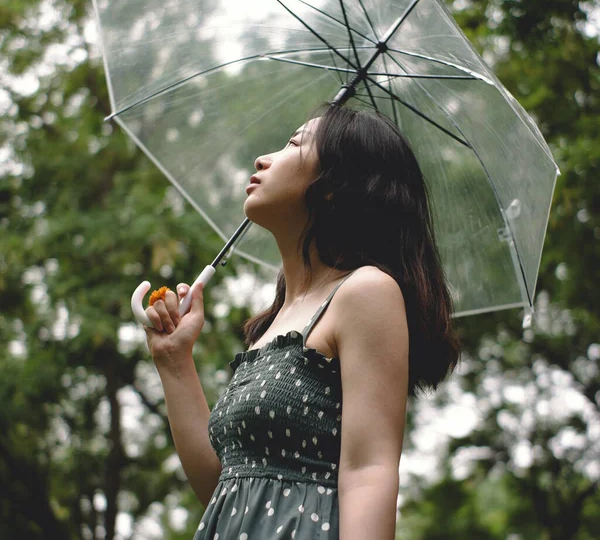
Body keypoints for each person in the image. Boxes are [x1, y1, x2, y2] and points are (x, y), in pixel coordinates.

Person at [144, 104, 461, 540]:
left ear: (334, 186)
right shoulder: (272, 326)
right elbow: (225, 486)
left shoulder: (365, 292)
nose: (263, 159)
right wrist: (174, 361)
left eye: (293, 144)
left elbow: (369, 471)